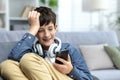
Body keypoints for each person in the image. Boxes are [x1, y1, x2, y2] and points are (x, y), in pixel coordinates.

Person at [0, 6, 93, 80]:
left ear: (56, 28)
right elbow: (13, 57)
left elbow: (88, 78)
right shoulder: (31, 50)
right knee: (6, 65)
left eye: (50, 29)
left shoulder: (68, 49)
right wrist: (33, 29)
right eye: (40, 30)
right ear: (35, 32)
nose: (47, 34)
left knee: (28, 58)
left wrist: (71, 70)